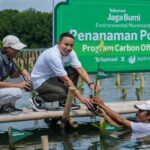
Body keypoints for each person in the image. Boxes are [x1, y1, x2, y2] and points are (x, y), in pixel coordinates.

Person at [31, 32, 95, 111]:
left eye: (71, 45)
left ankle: (64, 102)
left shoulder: (71, 52)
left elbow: (80, 69)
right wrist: (81, 98)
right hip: (40, 81)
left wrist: (90, 83)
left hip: (53, 78)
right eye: (66, 44)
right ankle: (37, 99)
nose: (69, 48)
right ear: (58, 43)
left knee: (74, 70)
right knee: (65, 93)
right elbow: (66, 79)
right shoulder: (53, 55)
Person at [0, 35, 31, 113]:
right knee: (17, 93)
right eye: (15, 48)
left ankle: (7, 106)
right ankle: (2, 106)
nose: (18, 50)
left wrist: (22, 71)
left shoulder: (9, 58)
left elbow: (14, 75)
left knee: (21, 78)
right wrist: (18, 85)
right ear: (7, 48)